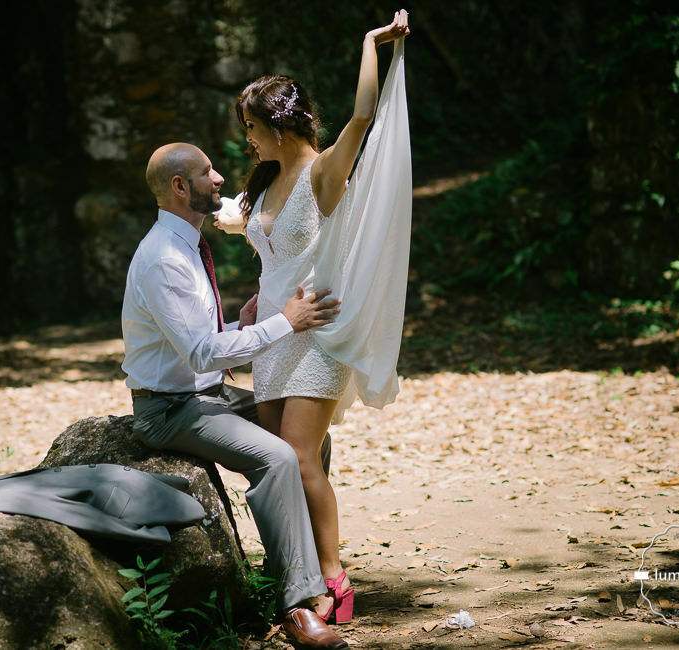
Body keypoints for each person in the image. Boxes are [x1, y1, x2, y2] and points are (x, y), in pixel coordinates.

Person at [218, 9, 412, 624]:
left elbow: (361, 116)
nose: (246, 138)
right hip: (274, 338)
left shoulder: (323, 170)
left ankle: (333, 577)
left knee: (301, 456)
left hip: (319, 335)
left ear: (280, 123)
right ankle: (293, 575)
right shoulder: (264, 184)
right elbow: (258, 245)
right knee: (281, 461)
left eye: (251, 126)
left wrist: (369, 46)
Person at [122, 142, 348, 649]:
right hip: (169, 408)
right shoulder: (163, 258)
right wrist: (281, 324)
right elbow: (200, 353)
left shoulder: (185, 244)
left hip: (205, 392)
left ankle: (292, 568)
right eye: (208, 173)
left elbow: (192, 339)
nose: (220, 178)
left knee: (309, 442)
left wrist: (238, 324)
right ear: (181, 187)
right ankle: (297, 604)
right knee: (278, 458)